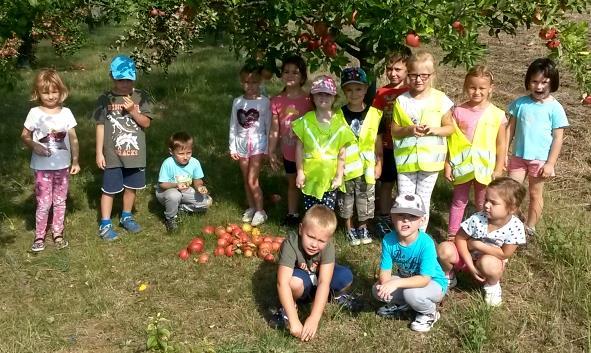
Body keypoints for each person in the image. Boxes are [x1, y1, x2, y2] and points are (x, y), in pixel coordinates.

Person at [272, 205, 358, 341]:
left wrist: (314, 318)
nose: (314, 244)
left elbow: (324, 282)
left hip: (318, 281)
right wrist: (294, 321)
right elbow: (282, 283)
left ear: (328, 240)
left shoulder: (328, 247)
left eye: (321, 241)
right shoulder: (291, 243)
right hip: (302, 279)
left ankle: (330, 296)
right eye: (311, 237)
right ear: (301, 229)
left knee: (345, 277)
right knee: (292, 283)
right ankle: (288, 307)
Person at [437, 177, 527, 306]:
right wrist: (470, 265)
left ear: (512, 208)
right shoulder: (478, 218)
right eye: (486, 199)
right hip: (467, 257)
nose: (486, 205)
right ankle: (448, 276)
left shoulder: (516, 226)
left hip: (489, 262)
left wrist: (476, 244)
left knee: (489, 262)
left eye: (493, 203)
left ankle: (492, 285)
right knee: (444, 248)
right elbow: (460, 238)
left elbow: (504, 254)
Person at [392, 52, 455, 231]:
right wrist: (409, 130)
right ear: (408, 75)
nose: (418, 79)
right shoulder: (401, 101)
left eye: (424, 75)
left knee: (422, 199)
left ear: (432, 75)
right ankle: (404, 234)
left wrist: (435, 130)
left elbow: (450, 128)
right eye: (413, 75)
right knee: (405, 198)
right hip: (406, 162)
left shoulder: (441, 100)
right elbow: (395, 131)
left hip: (431, 163)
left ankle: (419, 235)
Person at [506, 58, 569, 237]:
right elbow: (510, 130)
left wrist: (550, 163)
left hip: (540, 160)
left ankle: (529, 227)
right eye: (534, 81)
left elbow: (558, 138)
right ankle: (512, 219)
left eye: (544, 82)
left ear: (553, 82)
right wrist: (504, 153)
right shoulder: (520, 104)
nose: (539, 87)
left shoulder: (555, 108)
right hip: (518, 156)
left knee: (535, 194)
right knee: (511, 191)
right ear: (528, 81)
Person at [94, 54, 152, 240]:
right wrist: (99, 152)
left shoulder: (141, 97)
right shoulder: (105, 99)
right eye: (120, 79)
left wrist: (134, 111)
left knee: (131, 187)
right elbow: (100, 126)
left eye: (128, 79)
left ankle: (126, 216)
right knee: (109, 189)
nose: (125, 83)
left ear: (134, 77)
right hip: (112, 154)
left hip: (135, 154)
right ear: (112, 77)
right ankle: (105, 223)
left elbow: (146, 123)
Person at [445, 66, 507, 240]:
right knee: (459, 201)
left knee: (483, 202)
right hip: (462, 166)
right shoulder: (458, 111)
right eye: (472, 87)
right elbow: (452, 141)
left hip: (485, 168)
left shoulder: (497, 115)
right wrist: (448, 163)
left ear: (490, 89)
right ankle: (452, 235)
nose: (477, 92)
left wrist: (499, 167)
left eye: (482, 88)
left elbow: (501, 144)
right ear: (466, 87)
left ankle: (480, 235)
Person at [21, 69, 80, 252]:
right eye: (46, 92)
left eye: (54, 91)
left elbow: (73, 139)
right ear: (38, 93)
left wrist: (76, 161)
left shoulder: (67, 112)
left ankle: (57, 233)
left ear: (61, 91)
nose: (51, 96)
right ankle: (39, 235)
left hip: (62, 167)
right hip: (42, 168)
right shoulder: (34, 113)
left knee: (60, 201)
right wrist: (34, 145)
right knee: (44, 202)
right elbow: (24, 135)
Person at [373, 193, 447, 332]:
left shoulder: (426, 243)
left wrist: (395, 283)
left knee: (411, 294)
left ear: (422, 220)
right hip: (409, 282)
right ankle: (406, 305)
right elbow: (385, 272)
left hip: (434, 283)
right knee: (377, 290)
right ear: (392, 216)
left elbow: (425, 280)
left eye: (413, 216)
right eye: (400, 214)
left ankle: (430, 312)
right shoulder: (388, 240)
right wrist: (385, 285)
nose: (406, 220)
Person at [292, 75, 356, 211]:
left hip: (329, 177)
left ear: (334, 97)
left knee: (326, 213)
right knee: (310, 212)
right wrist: (300, 172)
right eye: (319, 94)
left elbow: (342, 153)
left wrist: (339, 176)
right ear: (313, 97)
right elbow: (299, 149)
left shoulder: (340, 123)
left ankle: (325, 233)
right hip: (310, 176)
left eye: (327, 95)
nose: (323, 98)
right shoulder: (305, 121)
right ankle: (309, 232)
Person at [337, 67, 384, 246]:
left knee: (365, 198)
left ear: (365, 89)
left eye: (358, 89)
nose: (354, 93)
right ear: (344, 92)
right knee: (346, 199)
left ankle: (362, 226)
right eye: (349, 89)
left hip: (367, 167)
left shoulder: (375, 114)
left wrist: (379, 164)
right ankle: (349, 229)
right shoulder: (339, 115)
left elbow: (377, 143)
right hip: (347, 167)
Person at [268, 55, 313, 227]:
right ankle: (292, 214)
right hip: (288, 151)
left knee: (308, 184)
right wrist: (271, 151)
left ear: (302, 77)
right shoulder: (277, 101)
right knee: (292, 182)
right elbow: (274, 129)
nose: (290, 75)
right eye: (286, 72)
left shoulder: (309, 100)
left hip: (308, 152)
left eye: (295, 72)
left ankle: (312, 216)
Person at [372, 49, 411, 237]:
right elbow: (375, 123)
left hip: (408, 148)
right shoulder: (382, 93)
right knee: (386, 185)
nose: (392, 73)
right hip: (387, 147)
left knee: (405, 187)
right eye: (389, 69)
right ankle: (385, 218)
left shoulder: (412, 92)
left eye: (398, 69)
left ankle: (406, 220)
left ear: (408, 69)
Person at [229, 65, 272, 226]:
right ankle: (252, 207)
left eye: (254, 82)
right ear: (241, 83)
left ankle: (261, 211)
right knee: (246, 179)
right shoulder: (237, 102)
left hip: (258, 143)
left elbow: (268, 126)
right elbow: (233, 124)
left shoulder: (264, 102)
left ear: (260, 82)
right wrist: (232, 146)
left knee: (253, 179)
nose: (250, 86)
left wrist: (267, 148)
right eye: (246, 82)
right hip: (241, 144)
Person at [155, 132, 213, 232]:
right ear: (171, 152)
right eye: (181, 154)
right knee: (174, 195)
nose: (185, 157)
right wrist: (176, 185)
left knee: (206, 202)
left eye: (188, 153)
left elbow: (197, 180)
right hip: (166, 192)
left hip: (185, 190)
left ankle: (182, 208)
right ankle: (170, 218)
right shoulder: (168, 163)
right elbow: (162, 184)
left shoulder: (194, 162)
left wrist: (199, 187)